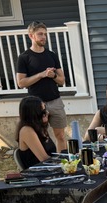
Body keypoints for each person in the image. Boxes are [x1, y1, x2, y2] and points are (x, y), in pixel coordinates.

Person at [17, 21, 67, 152]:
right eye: (40, 34)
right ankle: (45, 162)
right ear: (31, 36)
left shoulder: (51, 55)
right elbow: (21, 83)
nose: (43, 37)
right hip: (36, 105)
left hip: (55, 101)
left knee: (60, 136)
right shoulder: (24, 57)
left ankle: (65, 165)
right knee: (40, 138)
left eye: (45, 34)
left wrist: (53, 76)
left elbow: (62, 81)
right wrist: (41, 75)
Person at [16, 96, 56, 168]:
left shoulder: (40, 128)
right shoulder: (27, 131)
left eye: (45, 109)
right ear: (34, 113)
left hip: (49, 169)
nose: (47, 112)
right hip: (38, 173)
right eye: (43, 111)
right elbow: (44, 159)